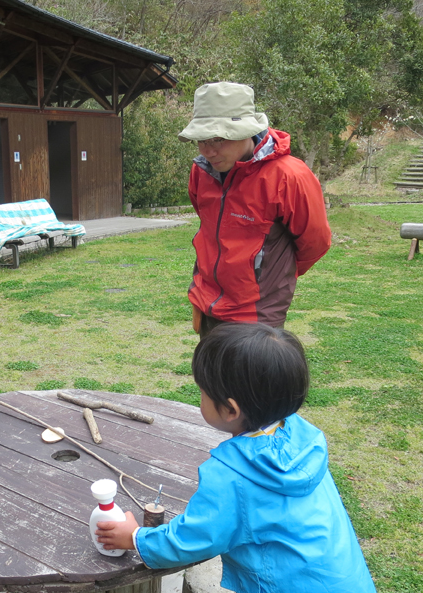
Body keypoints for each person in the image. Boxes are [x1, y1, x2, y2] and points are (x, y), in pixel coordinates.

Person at [95, 323, 376, 593]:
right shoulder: (303, 439)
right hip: (341, 580)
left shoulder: (231, 476)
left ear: (231, 410)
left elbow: (193, 539)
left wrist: (135, 537)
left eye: (202, 392)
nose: (200, 398)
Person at [178, 82, 332, 337]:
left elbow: (315, 242)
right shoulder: (202, 171)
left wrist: (269, 276)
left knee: (248, 377)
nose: (209, 150)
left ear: (246, 131)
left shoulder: (289, 176)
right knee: (210, 376)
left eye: (219, 138)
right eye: (201, 140)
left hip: (257, 314)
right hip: (207, 302)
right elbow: (208, 224)